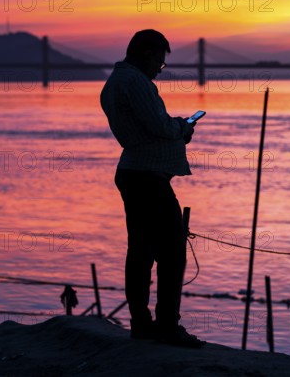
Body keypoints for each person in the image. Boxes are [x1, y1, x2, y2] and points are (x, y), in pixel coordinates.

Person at [100, 29, 204, 348]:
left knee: (142, 251)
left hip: (135, 172)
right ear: (148, 53)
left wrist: (172, 127)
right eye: (160, 59)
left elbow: (145, 126)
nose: (161, 67)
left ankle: (142, 324)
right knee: (171, 252)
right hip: (146, 178)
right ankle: (167, 326)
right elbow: (158, 126)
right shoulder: (136, 82)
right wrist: (182, 128)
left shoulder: (115, 82)